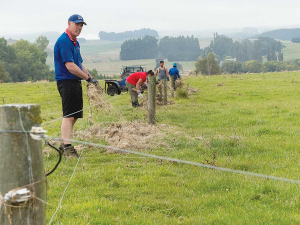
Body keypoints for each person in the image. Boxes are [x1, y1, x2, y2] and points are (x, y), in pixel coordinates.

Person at [54, 14, 98, 158]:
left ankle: (64, 143)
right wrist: (87, 78)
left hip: (75, 82)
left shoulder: (75, 42)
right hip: (66, 82)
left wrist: (90, 78)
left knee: (75, 115)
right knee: (68, 116)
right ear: (69, 24)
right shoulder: (64, 41)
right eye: (77, 24)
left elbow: (79, 64)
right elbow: (70, 66)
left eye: (81, 25)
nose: (79, 27)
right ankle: (67, 148)